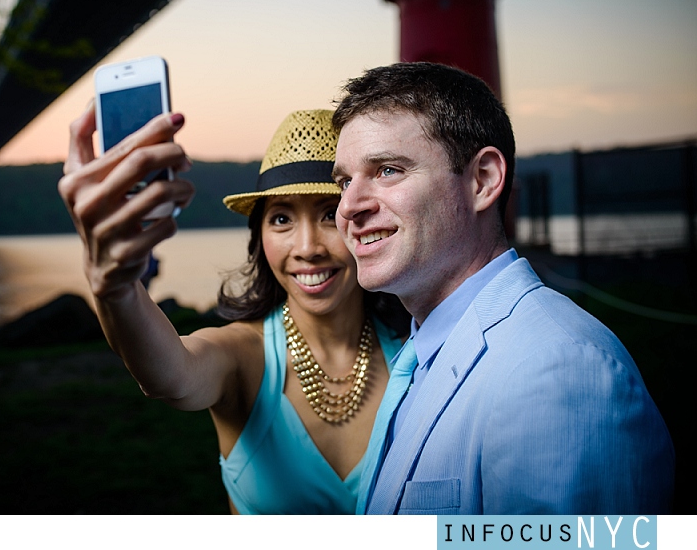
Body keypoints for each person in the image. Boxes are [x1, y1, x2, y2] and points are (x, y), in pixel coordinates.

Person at [330, 62, 675, 515]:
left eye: (388, 170)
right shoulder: (422, 350)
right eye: (344, 181)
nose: (348, 207)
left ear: (483, 180)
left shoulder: (558, 370)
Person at [59, 107, 410, 514]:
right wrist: (115, 286)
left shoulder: (415, 354)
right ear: (259, 238)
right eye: (281, 218)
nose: (308, 247)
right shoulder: (244, 356)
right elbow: (170, 376)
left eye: (329, 214)